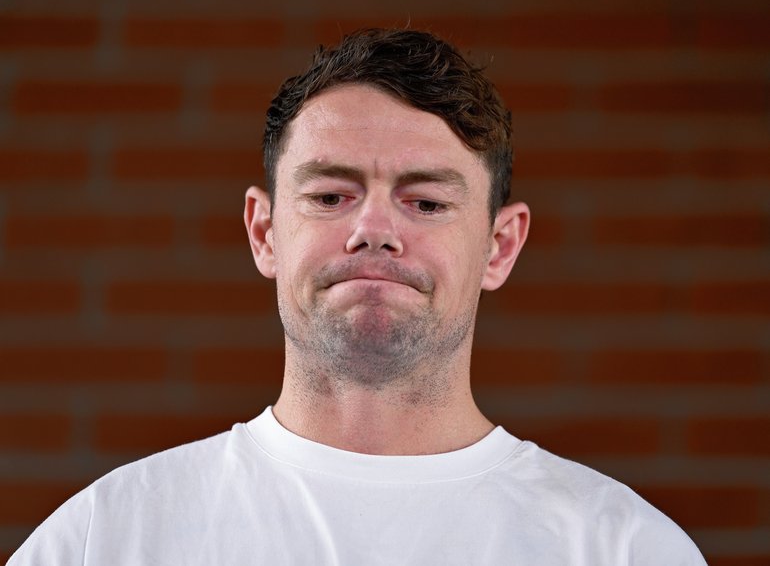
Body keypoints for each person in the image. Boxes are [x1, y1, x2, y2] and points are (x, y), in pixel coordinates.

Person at [10, 28, 706, 565]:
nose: (374, 229)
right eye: (330, 196)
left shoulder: (623, 549)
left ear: (499, 246)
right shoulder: (107, 537)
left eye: (426, 202)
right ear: (264, 232)